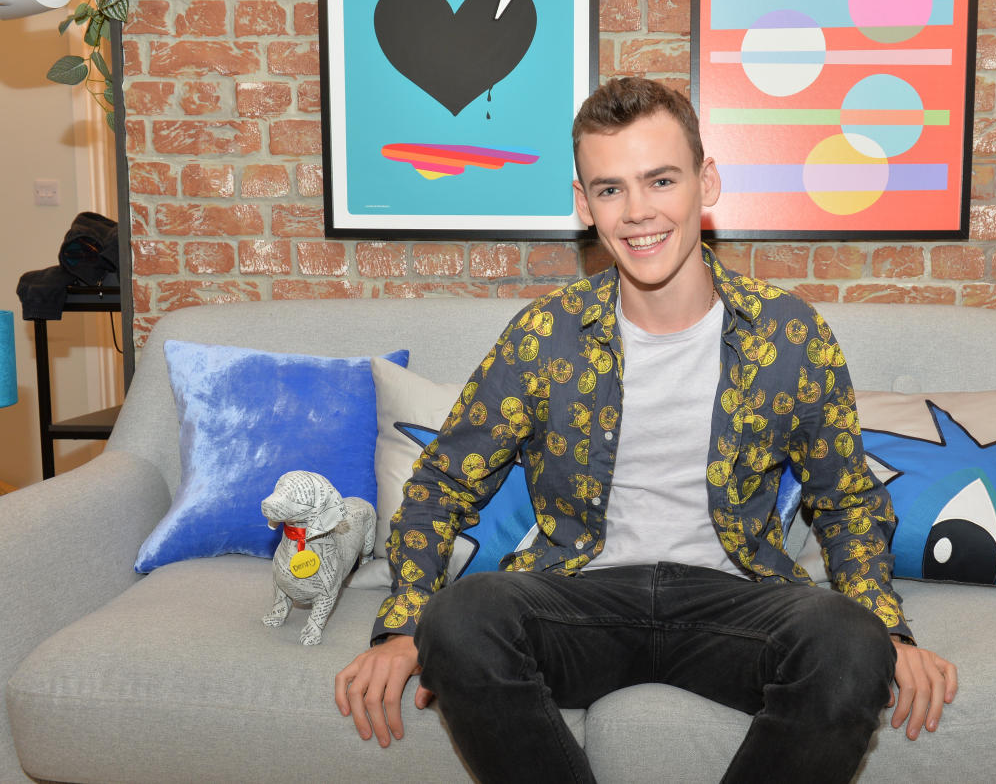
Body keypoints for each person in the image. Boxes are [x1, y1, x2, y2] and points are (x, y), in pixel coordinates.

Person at [336, 77, 957, 782]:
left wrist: (889, 627)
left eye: (660, 179)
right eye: (610, 189)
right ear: (583, 204)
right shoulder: (548, 334)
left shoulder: (789, 333)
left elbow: (846, 501)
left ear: (706, 181)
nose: (638, 212)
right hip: (580, 601)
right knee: (458, 618)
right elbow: (441, 483)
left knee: (852, 641)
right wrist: (399, 623)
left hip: (734, 605)